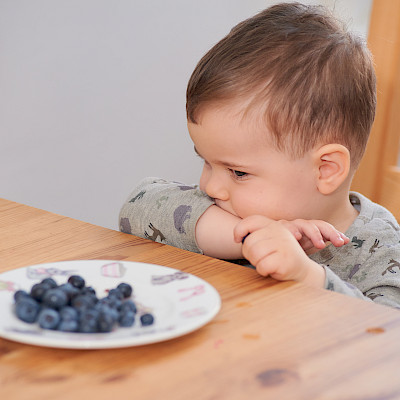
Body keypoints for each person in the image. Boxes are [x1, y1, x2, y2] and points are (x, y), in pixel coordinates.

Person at [119, 3, 400, 308]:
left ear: (326, 170)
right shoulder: (231, 209)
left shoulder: (381, 250)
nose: (211, 187)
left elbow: (387, 336)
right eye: (206, 161)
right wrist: (244, 238)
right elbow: (138, 206)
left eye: (237, 172)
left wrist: (308, 276)